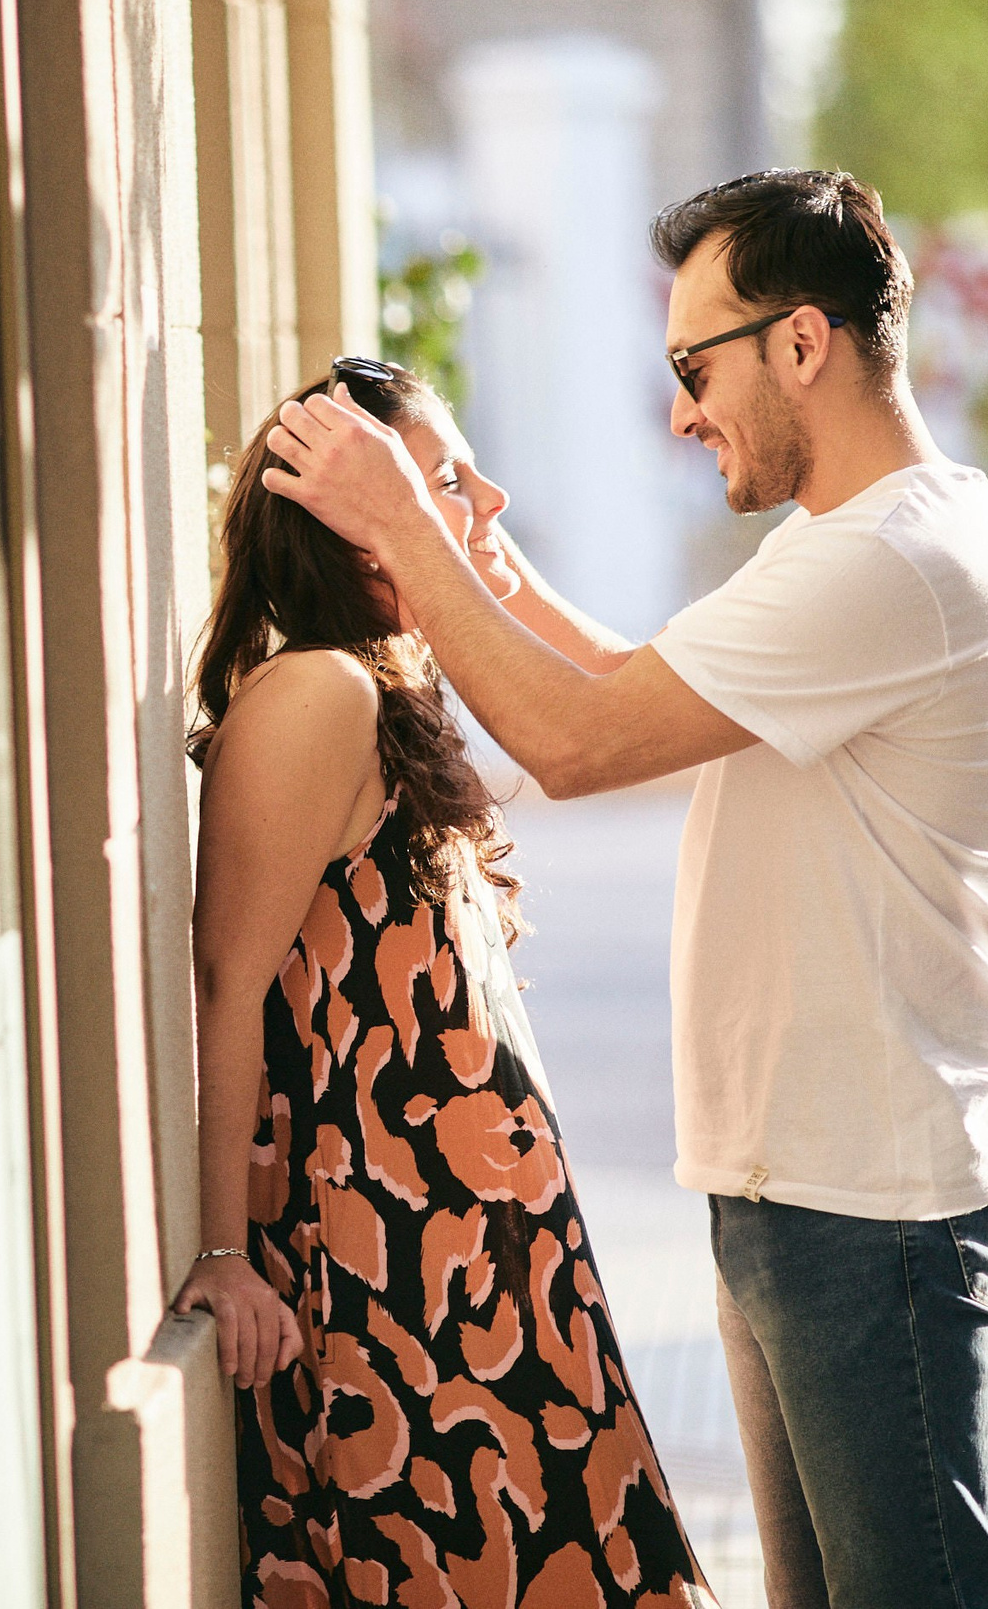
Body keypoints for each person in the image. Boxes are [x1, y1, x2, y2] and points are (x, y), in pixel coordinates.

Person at [257, 171, 988, 1609]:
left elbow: (577, 740)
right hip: (811, 1190)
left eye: (696, 367)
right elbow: (628, 680)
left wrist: (406, 519)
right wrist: (471, 542)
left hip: (880, 1204)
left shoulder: (893, 561)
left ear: (802, 342)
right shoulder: (845, 542)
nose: (682, 412)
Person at [175, 360, 716, 1609]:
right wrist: (221, 1249)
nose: (487, 497)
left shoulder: (380, 680)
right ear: (350, 519)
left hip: (477, 1253)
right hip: (397, 1275)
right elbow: (223, 986)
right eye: (443, 480)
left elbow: (609, 692)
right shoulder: (317, 691)